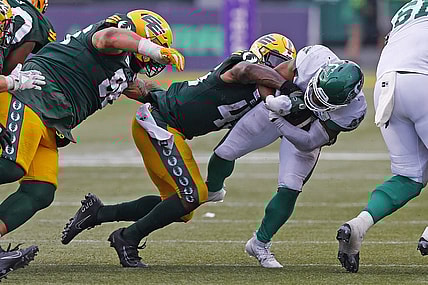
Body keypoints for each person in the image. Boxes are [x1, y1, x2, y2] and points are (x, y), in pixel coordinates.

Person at [60, 34, 302, 268]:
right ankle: (127, 238)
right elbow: (247, 71)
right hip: (159, 123)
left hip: (170, 126)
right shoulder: (243, 67)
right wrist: (286, 85)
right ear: (261, 56)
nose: (277, 70)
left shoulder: (263, 93)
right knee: (191, 195)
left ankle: (98, 213)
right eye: (275, 63)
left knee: (181, 207)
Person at [0, 9, 184, 278]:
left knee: (39, 191)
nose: (156, 53)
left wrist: (186, 99)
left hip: (52, 122)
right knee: (10, 167)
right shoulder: (105, 38)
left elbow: (144, 90)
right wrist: (152, 49)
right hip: (29, 99)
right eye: (153, 44)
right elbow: (110, 37)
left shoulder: (123, 71)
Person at [206, 44, 366, 268]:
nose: (316, 101)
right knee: (225, 151)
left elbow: (310, 141)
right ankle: (212, 190)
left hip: (305, 130)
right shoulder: (313, 59)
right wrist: (271, 101)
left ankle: (259, 244)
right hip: (280, 106)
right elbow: (267, 77)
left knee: (291, 186)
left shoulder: (353, 111)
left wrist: (277, 120)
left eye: (324, 102)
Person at [337, 0, 428, 273]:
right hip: (421, 80)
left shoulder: (408, 8)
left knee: (410, 175)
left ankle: (359, 225)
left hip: (385, 85)